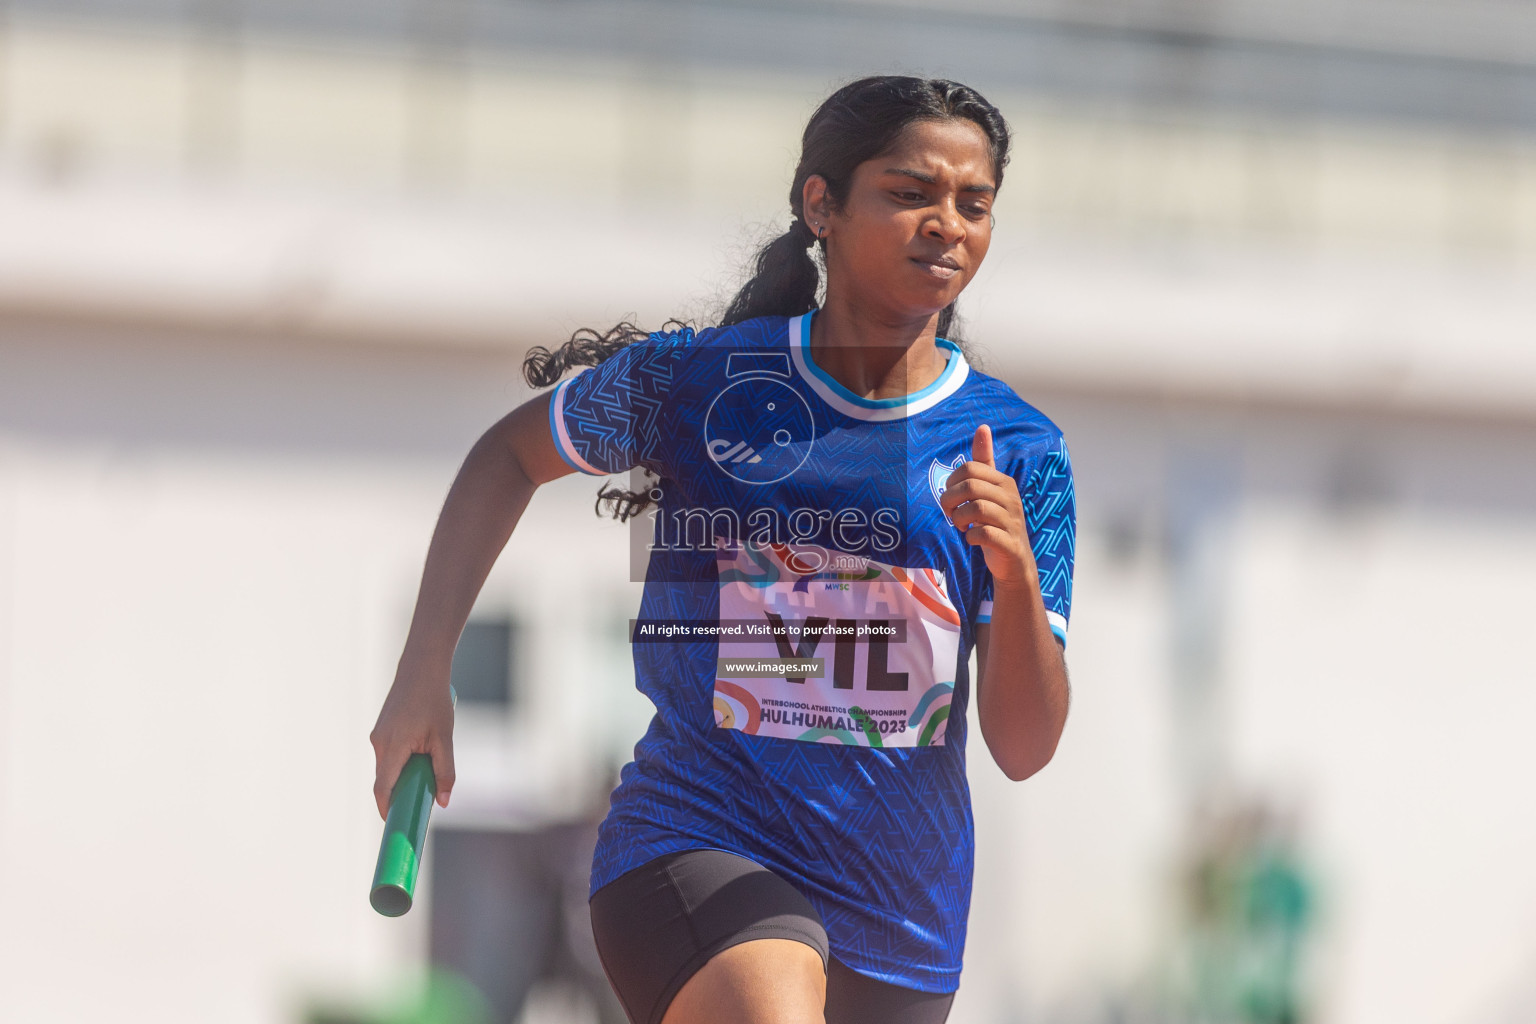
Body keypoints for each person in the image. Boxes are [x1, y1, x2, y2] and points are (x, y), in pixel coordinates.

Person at [369, 75, 1076, 1024]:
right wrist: (425, 676)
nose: (947, 223)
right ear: (819, 204)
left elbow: (1024, 749)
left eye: (973, 203)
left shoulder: (1019, 449)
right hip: (696, 840)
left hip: (902, 913)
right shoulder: (699, 383)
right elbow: (507, 456)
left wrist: (1015, 576)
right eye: (910, 194)